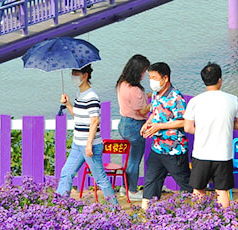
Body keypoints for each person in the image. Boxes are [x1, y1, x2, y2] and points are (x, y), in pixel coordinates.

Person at [184, 62, 238, 208]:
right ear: (220, 80)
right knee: (222, 190)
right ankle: (224, 220)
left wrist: (201, 130)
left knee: (198, 190)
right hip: (223, 154)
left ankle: (197, 219)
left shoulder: (195, 101)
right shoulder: (233, 99)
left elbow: (188, 127)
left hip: (201, 153)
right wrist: (227, 126)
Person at [56, 64, 119, 206]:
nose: (73, 77)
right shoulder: (81, 94)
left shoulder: (92, 96)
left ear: (85, 76)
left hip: (89, 145)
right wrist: (68, 104)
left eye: (76, 74)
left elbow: (95, 120)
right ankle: (59, 206)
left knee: (100, 179)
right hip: (77, 143)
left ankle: (115, 210)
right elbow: (78, 116)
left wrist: (89, 144)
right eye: (72, 74)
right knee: (66, 172)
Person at [140, 62, 192, 209]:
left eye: (154, 77)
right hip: (157, 148)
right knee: (150, 181)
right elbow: (154, 113)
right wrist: (148, 123)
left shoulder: (176, 97)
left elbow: (183, 122)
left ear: (165, 78)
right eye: (150, 77)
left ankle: (204, 209)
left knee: (185, 182)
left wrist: (160, 126)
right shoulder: (156, 94)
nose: (152, 81)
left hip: (174, 149)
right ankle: (145, 216)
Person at [116, 54, 150, 202]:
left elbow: (138, 100)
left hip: (124, 123)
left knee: (129, 158)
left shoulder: (122, 83)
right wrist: (156, 104)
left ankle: (125, 187)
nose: (145, 74)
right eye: (144, 71)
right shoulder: (135, 89)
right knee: (134, 160)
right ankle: (133, 191)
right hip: (135, 126)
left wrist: (152, 95)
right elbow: (142, 110)